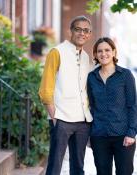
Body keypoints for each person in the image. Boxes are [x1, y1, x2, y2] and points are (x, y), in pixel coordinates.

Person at [39, 15, 93, 175]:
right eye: (78, 29)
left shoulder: (85, 57)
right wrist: (53, 115)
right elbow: (45, 87)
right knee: (55, 165)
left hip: (83, 121)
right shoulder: (57, 52)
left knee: (78, 167)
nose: (82, 33)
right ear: (71, 31)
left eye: (86, 30)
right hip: (61, 118)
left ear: (89, 34)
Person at [87, 37, 137, 175]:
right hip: (99, 135)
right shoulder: (91, 77)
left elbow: (133, 105)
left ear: (114, 52)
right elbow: (91, 106)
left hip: (123, 136)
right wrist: (90, 134)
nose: (104, 54)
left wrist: (131, 133)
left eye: (107, 50)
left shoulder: (125, 75)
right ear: (96, 55)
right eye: (100, 51)